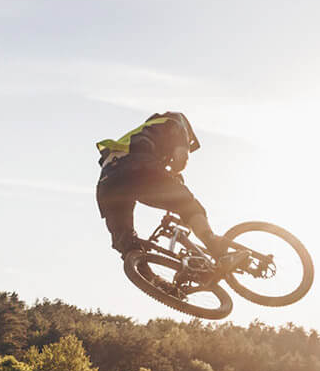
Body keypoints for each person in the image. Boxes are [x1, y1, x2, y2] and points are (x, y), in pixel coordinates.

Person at [95, 111, 226, 265]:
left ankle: (153, 282)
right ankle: (217, 248)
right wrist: (175, 174)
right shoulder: (173, 124)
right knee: (188, 205)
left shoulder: (140, 133)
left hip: (107, 185)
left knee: (126, 242)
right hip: (138, 168)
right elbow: (181, 158)